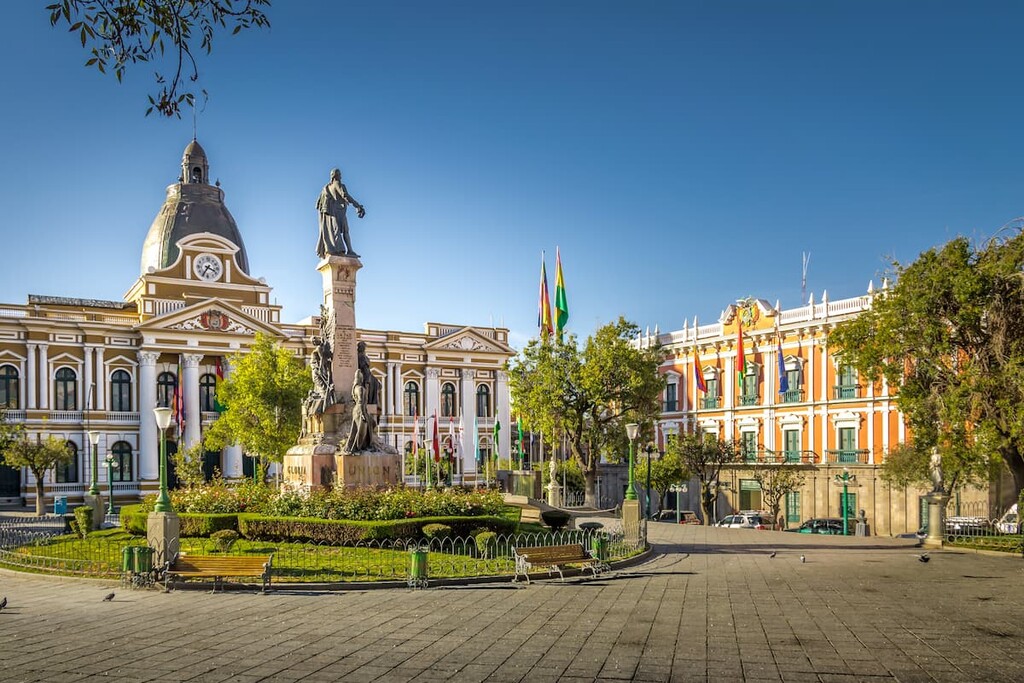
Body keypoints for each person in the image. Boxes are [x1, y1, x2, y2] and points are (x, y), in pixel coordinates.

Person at [316, 168, 365, 258]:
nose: (341, 176)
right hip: (339, 212)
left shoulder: (327, 188)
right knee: (345, 230)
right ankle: (349, 250)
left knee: (336, 231)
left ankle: (339, 249)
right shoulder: (337, 184)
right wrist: (357, 205)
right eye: (339, 174)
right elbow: (345, 195)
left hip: (332, 214)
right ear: (336, 176)